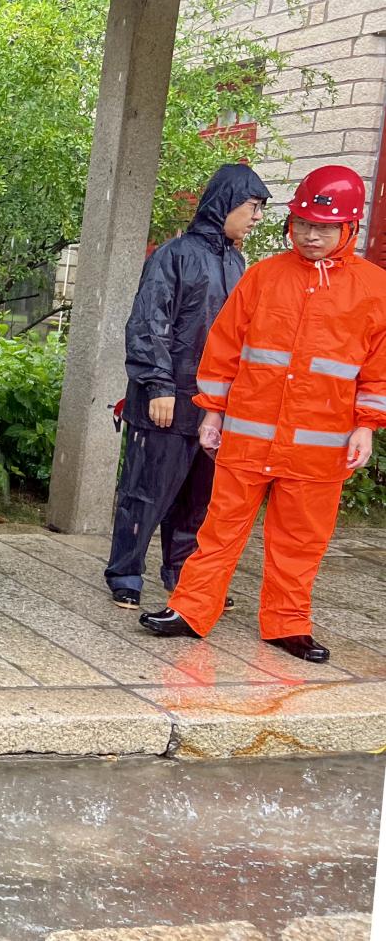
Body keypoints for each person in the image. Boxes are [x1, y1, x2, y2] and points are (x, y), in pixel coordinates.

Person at [140, 165, 386, 663]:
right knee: (219, 526)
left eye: (324, 227)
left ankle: (286, 623)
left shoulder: (374, 289)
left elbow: (378, 368)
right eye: (302, 224)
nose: (311, 235)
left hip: (320, 443)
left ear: (349, 228)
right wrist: (212, 413)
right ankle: (190, 610)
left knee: (301, 539)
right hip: (248, 434)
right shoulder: (263, 276)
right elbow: (225, 347)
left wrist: (366, 426)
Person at [105, 163, 269, 609]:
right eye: (252, 206)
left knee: (198, 497)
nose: (256, 217)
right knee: (146, 489)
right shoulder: (173, 256)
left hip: (212, 403)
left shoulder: (237, 263)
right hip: (167, 396)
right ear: (226, 204)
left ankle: (182, 573)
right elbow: (148, 322)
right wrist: (158, 385)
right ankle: (125, 572)